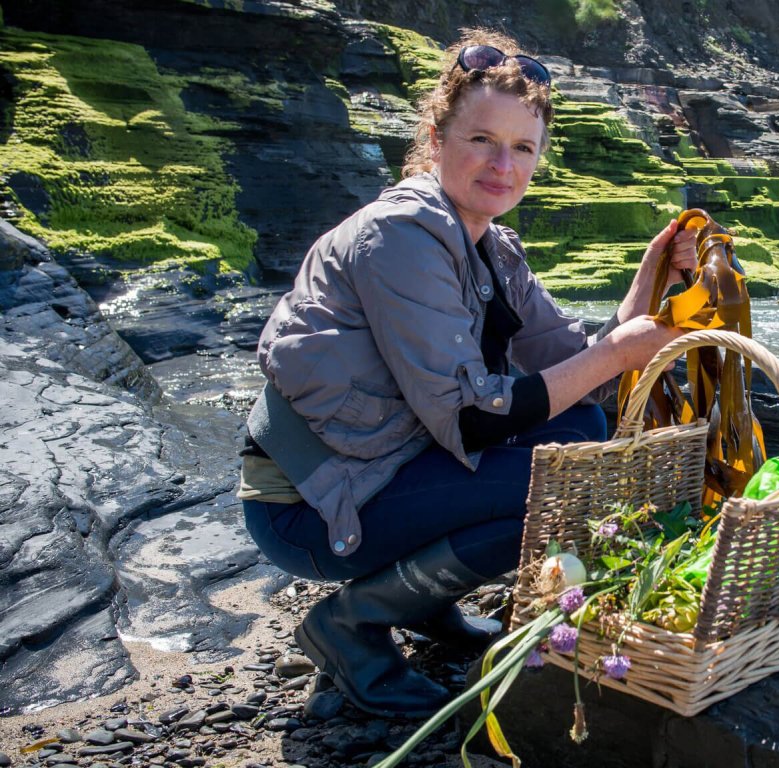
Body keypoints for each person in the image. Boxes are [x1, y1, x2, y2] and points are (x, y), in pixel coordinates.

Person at [237, 28, 696, 719]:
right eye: (481, 139)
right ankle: (349, 625)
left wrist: (649, 279)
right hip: (310, 504)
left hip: (390, 467)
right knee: (556, 481)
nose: (501, 164)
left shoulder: (490, 246)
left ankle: (426, 601)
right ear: (436, 134)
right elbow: (474, 419)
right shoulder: (399, 235)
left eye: (522, 147)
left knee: (582, 424)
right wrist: (614, 355)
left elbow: (576, 373)